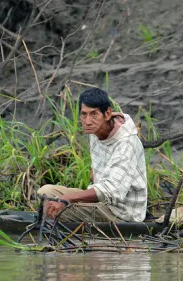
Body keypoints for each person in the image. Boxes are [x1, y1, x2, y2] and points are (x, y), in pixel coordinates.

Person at [37, 87, 147, 222]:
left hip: (122, 213)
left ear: (107, 114)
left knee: (59, 210)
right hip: (101, 203)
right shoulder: (95, 131)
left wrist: (68, 199)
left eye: (94, 114)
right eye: (84, 114)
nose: (87, 121)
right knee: (45, 193)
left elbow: (113, 191)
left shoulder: (126, 142)